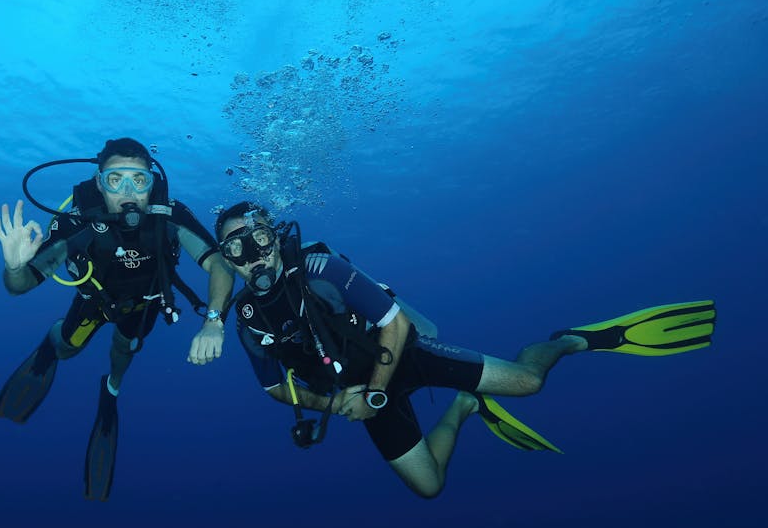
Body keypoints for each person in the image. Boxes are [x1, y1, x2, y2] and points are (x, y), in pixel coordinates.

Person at [213, 201, 717, 498]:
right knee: (429, 488)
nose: (250, 253)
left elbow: (395, 323)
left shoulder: (323, 270)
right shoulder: (248, 317)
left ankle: (570, 340)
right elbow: (277, 387)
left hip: (404, 356)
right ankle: (465, 407)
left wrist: (371, 396)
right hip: (360, 395)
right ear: (227, 262)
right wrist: (332, 403)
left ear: (275, 237)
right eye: (234, 248)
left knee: (530, 383)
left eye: (257, 236)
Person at [0, 138, 234, 500]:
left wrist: (214, 320)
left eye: (138, 181)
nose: (127, 192)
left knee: (125, 351)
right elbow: (20, 286)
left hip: (144, 306)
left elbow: (219, 264)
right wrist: (14, 266)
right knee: (67, 348)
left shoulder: (170, 215)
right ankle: (51, 342)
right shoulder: (77, 220)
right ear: (98, 181)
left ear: (152, 182)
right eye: (115, 180)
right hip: (94, 303)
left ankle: (112, 389)